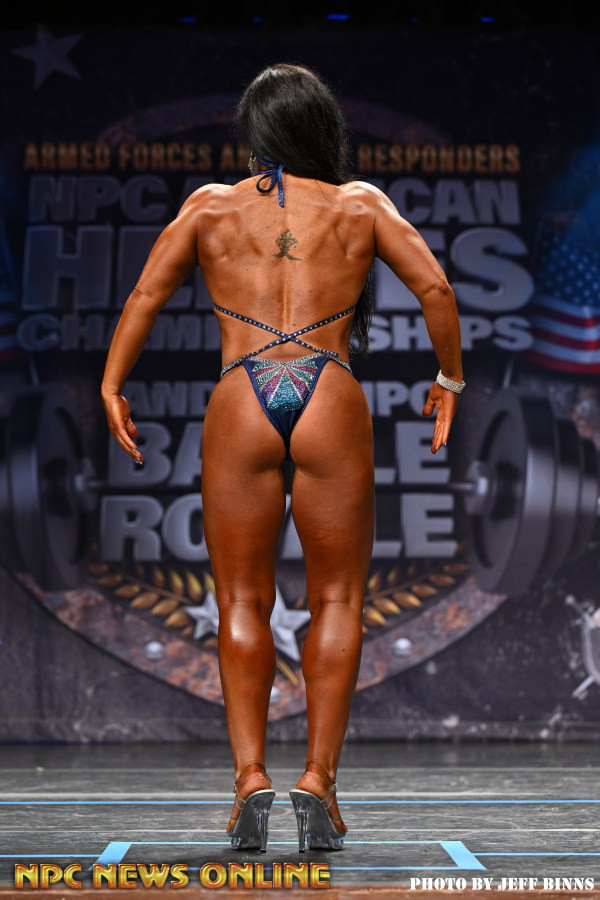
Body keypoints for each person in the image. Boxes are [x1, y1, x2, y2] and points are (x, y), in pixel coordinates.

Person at [101, 62, 464, 854]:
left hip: (242, 392)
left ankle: (248, 780)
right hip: (328, 389)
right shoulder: (359, 205)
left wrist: (112, 384)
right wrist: (449, 381)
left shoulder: (210, 207)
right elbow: (436, 290)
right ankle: (319, 782)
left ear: (255, 133)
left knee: (240, 599)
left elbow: (144, 297)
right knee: (337, 599)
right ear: (321, 131)